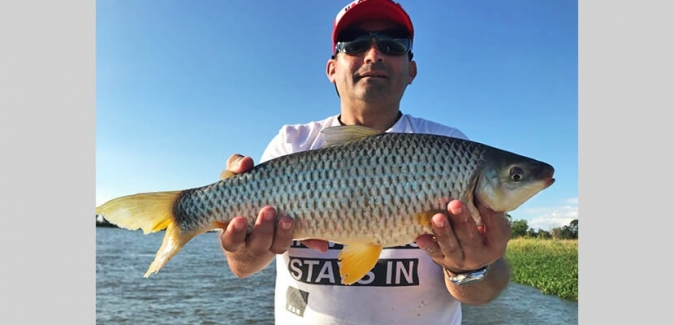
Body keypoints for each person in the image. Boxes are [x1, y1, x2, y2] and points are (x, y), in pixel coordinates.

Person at [219, 0, 511, 323]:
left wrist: (470, 268)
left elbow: (486, 292)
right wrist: (243, 247)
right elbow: (242, 265)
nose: (374, 55)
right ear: (332, 69)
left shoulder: (452, 149)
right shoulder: (291, 144)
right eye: (355, 44)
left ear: (412, 70)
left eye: (393, 44)